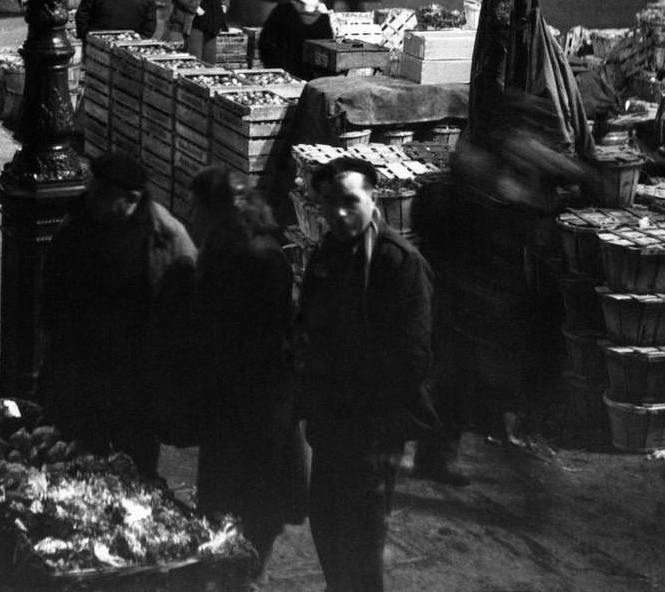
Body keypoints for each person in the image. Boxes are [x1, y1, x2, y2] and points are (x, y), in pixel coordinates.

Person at [298, 156, 436, 592]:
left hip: (371, 430)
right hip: (329, 422)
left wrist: (370, 409)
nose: (338, 214)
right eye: (327, 204)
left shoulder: (398, 263)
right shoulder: (329, 253)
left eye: (349, 202)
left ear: (372, 199)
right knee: (326, 525)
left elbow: (413, 356)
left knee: (360, 543)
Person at [39, 152, 197, 479]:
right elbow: (54, 283)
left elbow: (188, 311)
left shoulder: (167, 236)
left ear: (130, 199)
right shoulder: (80, 220)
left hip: (135, 374)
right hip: (81, 366)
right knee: (77, 454)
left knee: (133, 461)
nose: (91, 197)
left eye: (101, 194)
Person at [189, 166, 306, 574]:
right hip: (237, 393)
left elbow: (257, 333)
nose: (192, 215)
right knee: (230, 488)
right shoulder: (230, 245)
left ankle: (245, 572)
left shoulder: (255, 256)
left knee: (252, 491)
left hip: (256, 396)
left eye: (197, 207)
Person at [258, 0, 335, 79]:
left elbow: (327, 50)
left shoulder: (323, 20)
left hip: (304, 75)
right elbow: (266, 43)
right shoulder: (283, 12)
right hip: (285, 73)